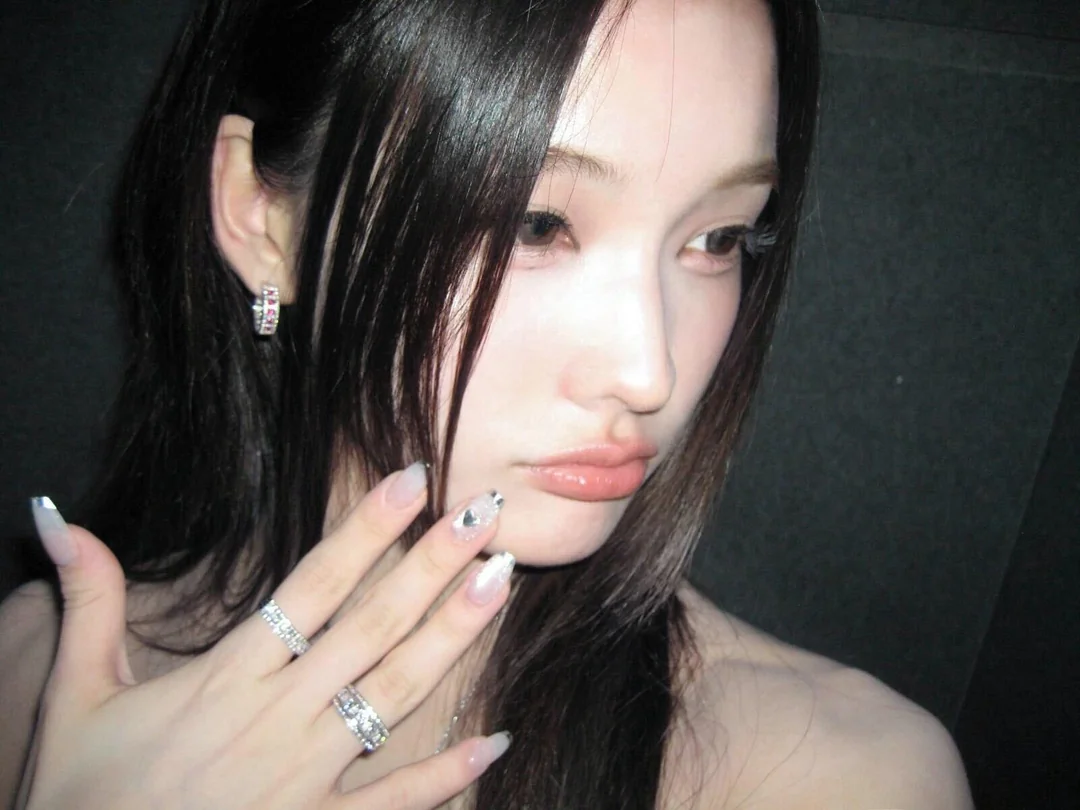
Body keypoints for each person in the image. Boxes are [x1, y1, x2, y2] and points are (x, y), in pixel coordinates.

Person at [0, 0, 975, 807]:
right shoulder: (28, 676)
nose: (650, 373)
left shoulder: (833, 777)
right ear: (264, 220)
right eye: (536, 224)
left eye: (719, 239)